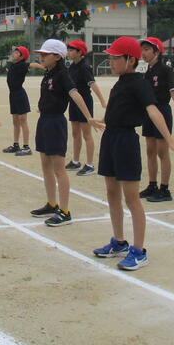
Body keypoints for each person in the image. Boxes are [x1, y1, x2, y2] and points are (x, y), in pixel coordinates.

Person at [92, 37, 174, 271]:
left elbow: (153, 110)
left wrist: (170, 139)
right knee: (111, 192)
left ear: (130, 60)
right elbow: (115, 111)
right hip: (110, 138)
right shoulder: (120, 83)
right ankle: (119, 242)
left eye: (115, 58)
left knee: (131, 198)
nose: (111, 62)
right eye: (110, 58)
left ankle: (138, 251)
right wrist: (98, 120)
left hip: (126, 141)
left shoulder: (139, 83)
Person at [30, 39, 103, 227]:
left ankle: (64, 211)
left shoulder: (63, 74)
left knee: (58, 169)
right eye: (41, 54)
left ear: (57, 56)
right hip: (44, 120)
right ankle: (51, 204)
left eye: (45, 54)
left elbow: (75, 94)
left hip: (55, 122)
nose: (41, 57)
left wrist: (88, 117)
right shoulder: (48, 73)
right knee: (45, 165)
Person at [138, 37, 174, 203]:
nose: (143, 53)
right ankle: (152, 185)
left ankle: (164, 188)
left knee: (162, 151)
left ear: (157, 52)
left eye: (147, 49)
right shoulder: (147, 71)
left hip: (162, 110)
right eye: (142, 50)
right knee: (150, 150)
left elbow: (173, 92)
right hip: (149, 112)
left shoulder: (166, 70)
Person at [65, 39, 107, 176]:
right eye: (68, 50)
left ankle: (89, 164)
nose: (69, 52)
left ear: (80, 52)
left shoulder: (84, 67)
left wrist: (102, 101)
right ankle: (75, 161)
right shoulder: (71, 67)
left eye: (72, 50)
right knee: (75, 133)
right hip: (74, 103)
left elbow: (93, 84)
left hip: (85, 102)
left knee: (86, 134)